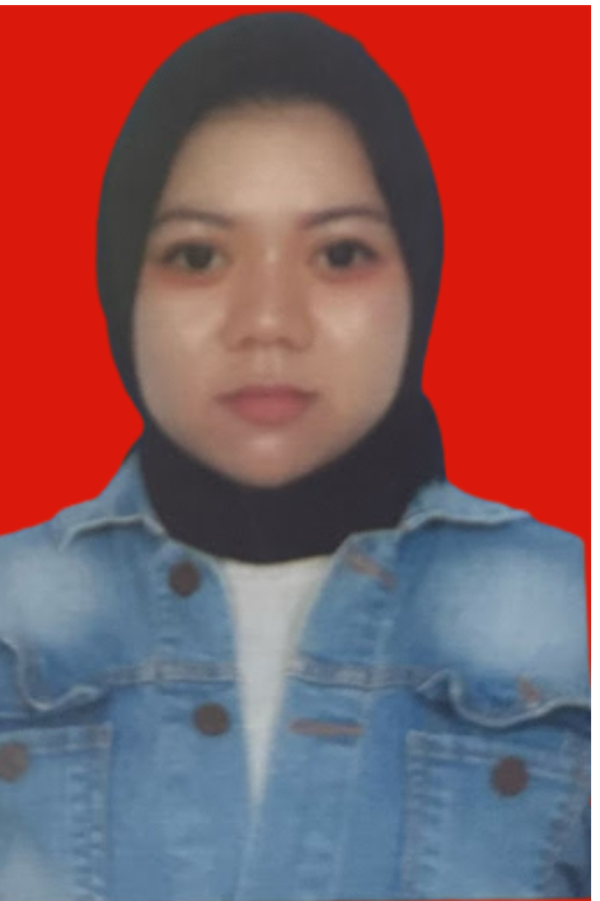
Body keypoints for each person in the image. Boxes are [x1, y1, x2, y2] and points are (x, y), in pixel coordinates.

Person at [0, 12, 591, 901]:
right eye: (198, 255)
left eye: (341, 253)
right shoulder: (12, 614)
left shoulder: (565, 608)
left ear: (419, 277)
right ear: (122, 285)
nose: (269, 321)